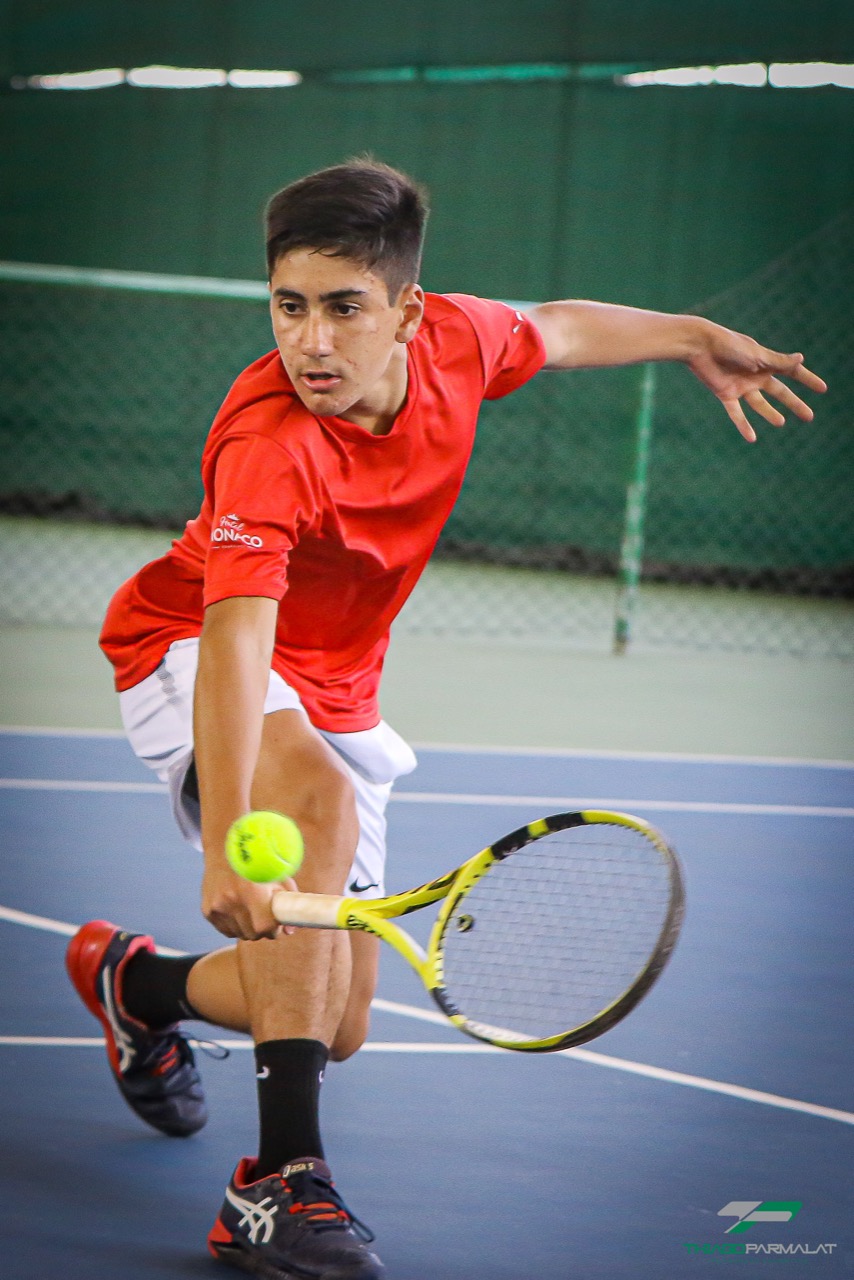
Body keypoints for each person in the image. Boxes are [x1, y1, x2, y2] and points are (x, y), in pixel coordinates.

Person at [65, 158, 825, 1280]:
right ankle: (279, 1183)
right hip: (190, 642)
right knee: (308, 795)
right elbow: (236, 639)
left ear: (407, 311)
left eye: (341, 308)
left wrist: (687, 332)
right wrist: (232, 830)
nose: (311, 342)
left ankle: (136, 985)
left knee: (331, 1019)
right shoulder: (268, 440)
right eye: (287, 306)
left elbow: (559, 326)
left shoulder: (460, 345)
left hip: (341, 687)